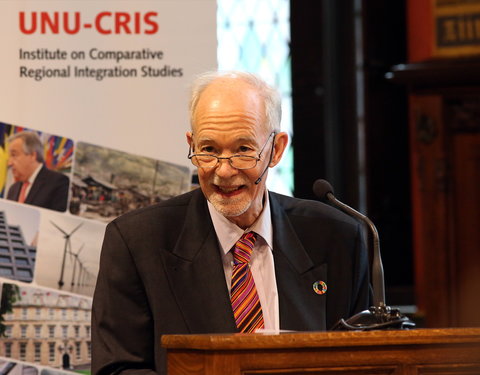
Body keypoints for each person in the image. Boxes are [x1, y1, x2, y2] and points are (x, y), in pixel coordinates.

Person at [92, 71, 371, 375]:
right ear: (192, 144)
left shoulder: (338, 238)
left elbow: (368, 362)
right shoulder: (137, 242)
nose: (223, 171)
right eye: (209, 150)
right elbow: (116, 369)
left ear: (276, 149)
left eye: (243, 150)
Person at [6, 131, 70, 212]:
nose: (9, 163)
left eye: (14, 155)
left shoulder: (59, 183)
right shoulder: (13, 189)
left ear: (32, 156)